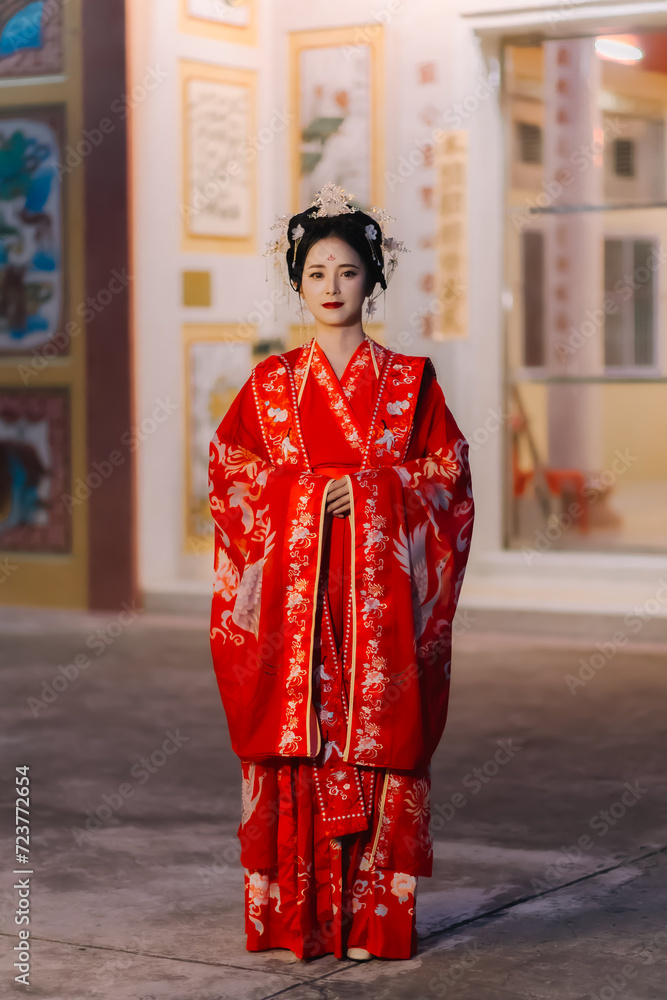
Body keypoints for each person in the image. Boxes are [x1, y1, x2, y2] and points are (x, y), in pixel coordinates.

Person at [208, 182, 474, 962]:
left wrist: (363, 495)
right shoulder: (268, 386)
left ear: (372, 280)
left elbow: (446, 481)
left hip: (375, 608)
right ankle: (298, 920)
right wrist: (302, 502)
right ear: (297, 281)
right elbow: (231, 475)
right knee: (299, 747)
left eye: (348, 271)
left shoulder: (410, 382)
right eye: (317, 272)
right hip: (294, 608)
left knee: (375, 742)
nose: (331, 287)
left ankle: (372, 922)